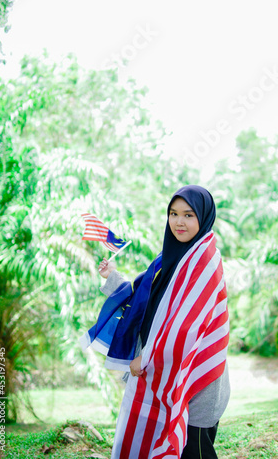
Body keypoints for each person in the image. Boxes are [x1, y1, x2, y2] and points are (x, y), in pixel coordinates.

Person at [80, 185, 230, 458]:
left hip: (194, 380)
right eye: (173, 213)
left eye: (188, 215)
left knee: (195, 450)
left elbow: (187, 324)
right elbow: (145, 302)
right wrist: (112, 278)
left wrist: (147, 356)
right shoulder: (168, 259)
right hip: (165, 373)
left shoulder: (205, 259)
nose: (179, 222)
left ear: (204, 217)